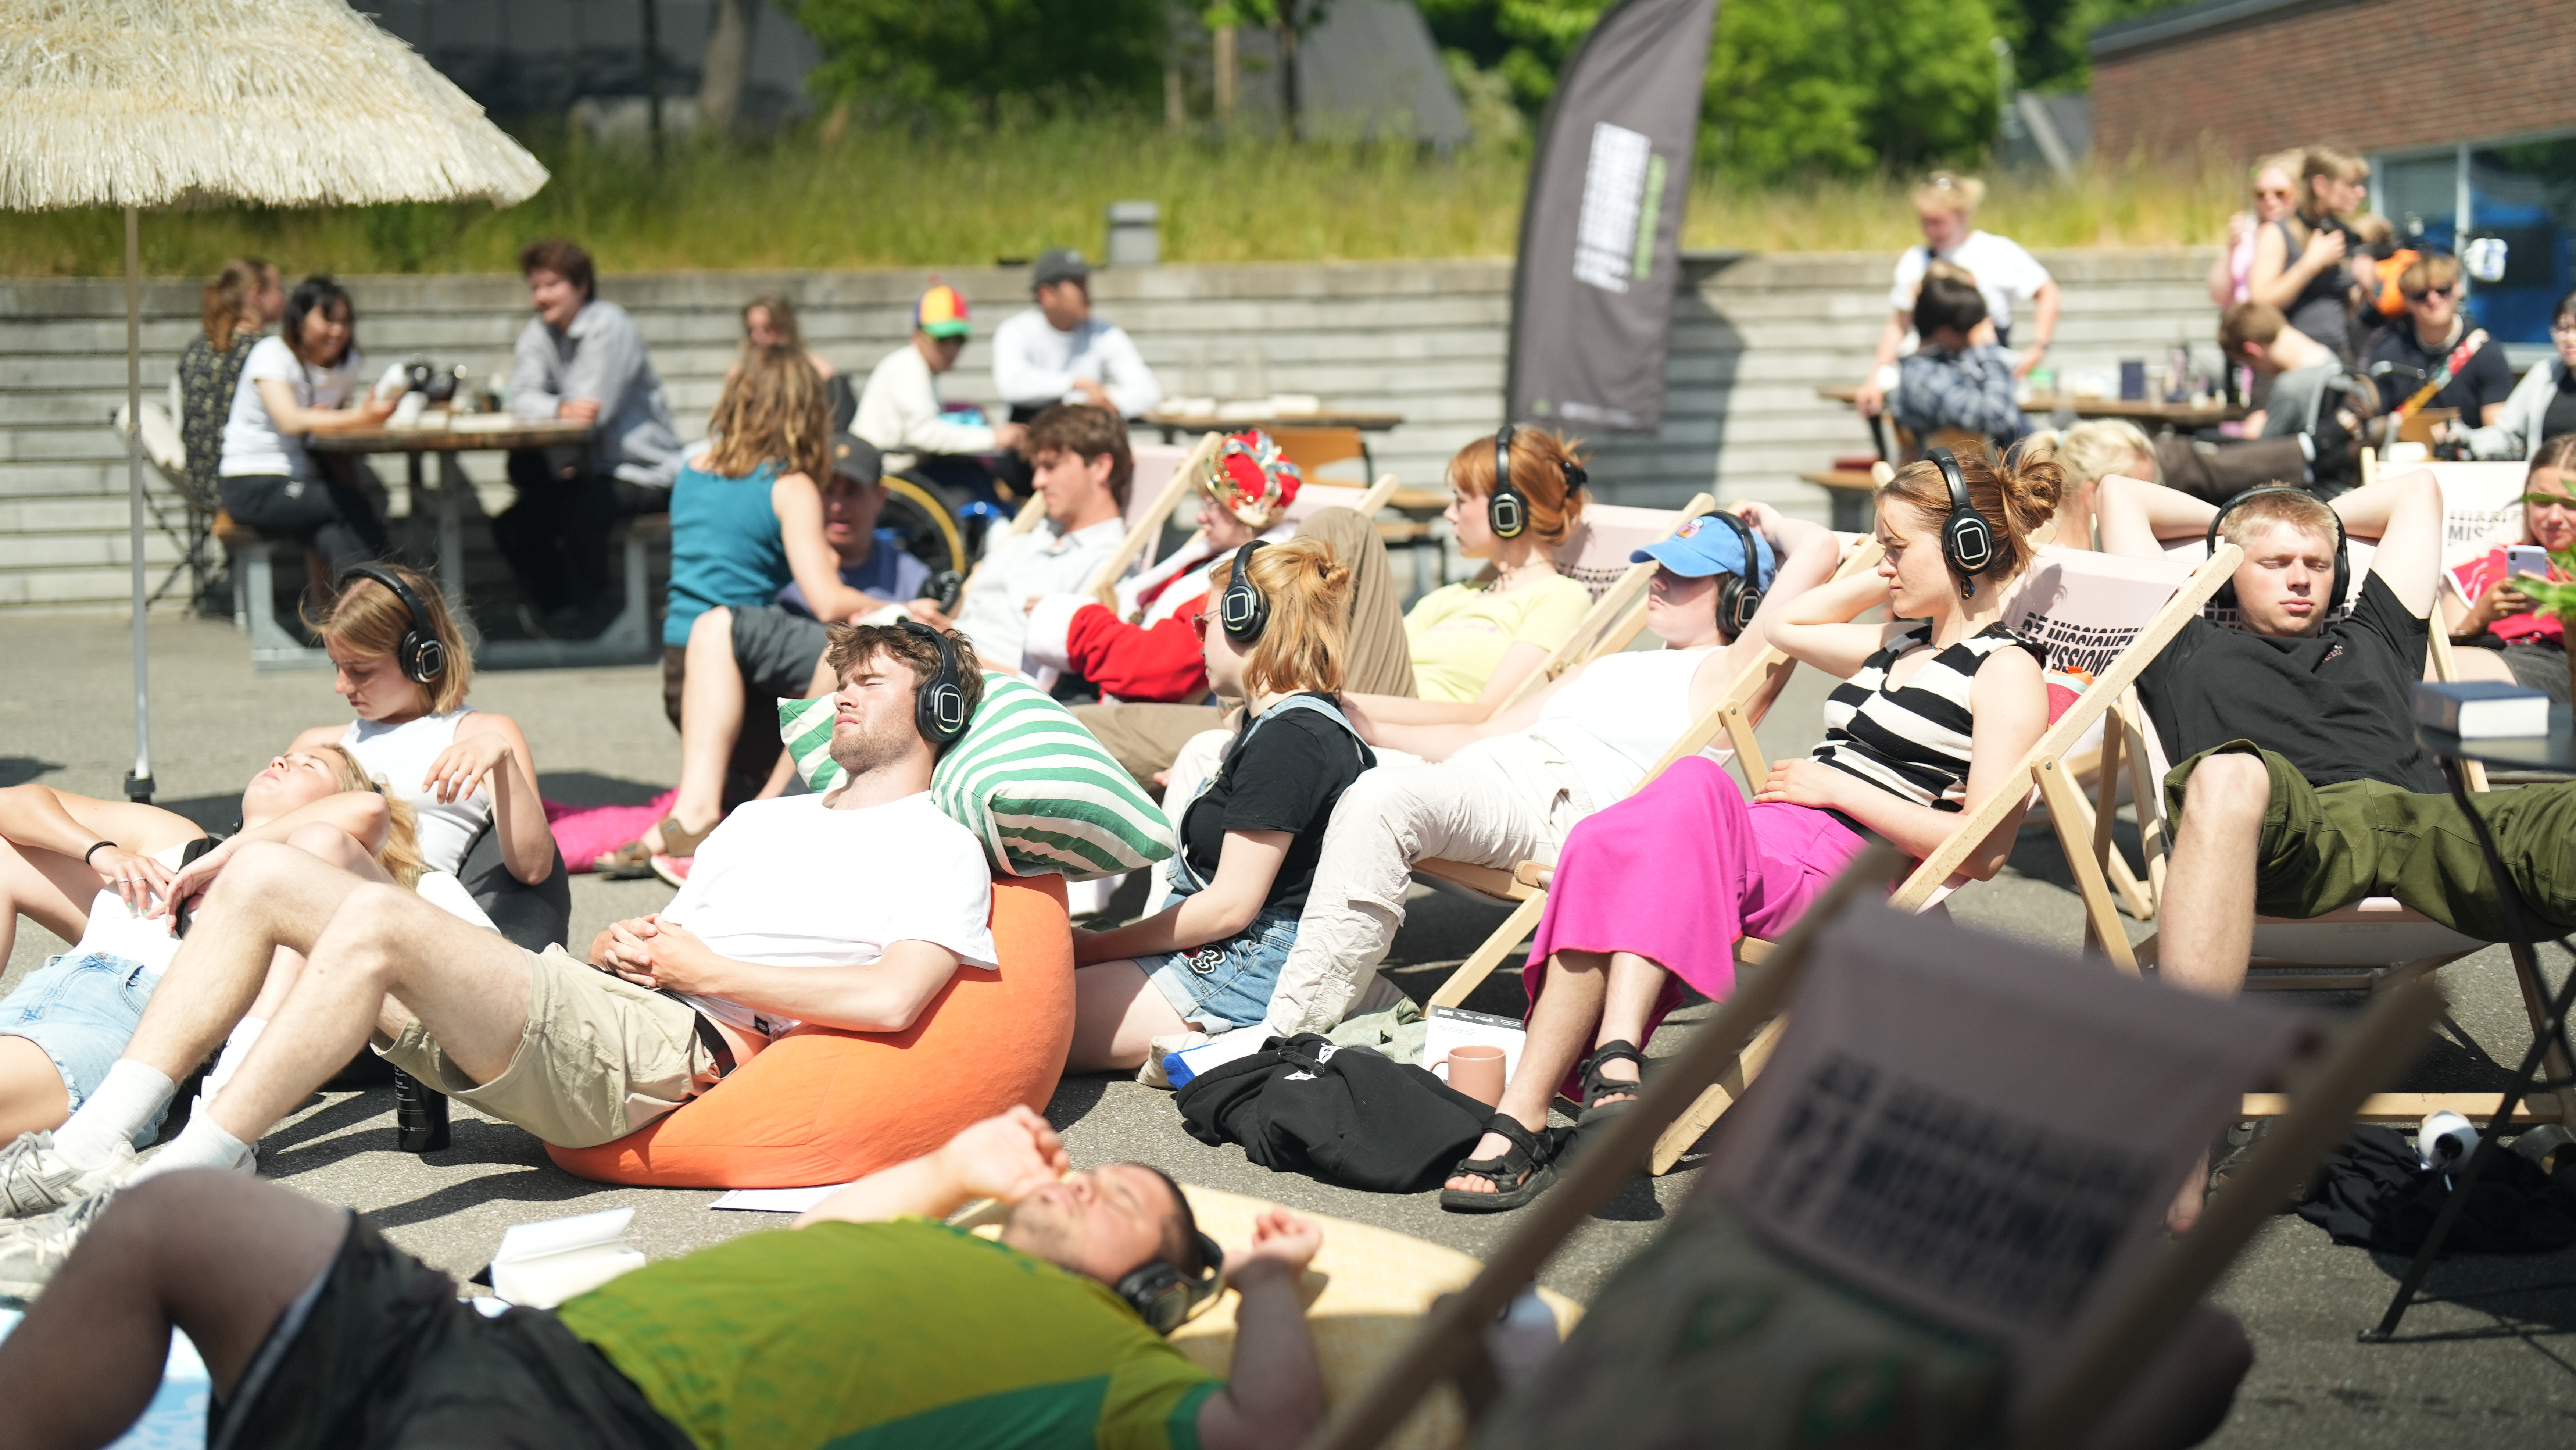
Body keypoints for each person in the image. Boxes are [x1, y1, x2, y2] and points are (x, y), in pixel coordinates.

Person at [0, 624, 998, 1231]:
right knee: (265, 870)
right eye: (846, 677)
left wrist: (707, 964)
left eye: (872, 681)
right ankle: (105, 1141)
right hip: (612, 1006)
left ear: (941, 708)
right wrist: (641, 941)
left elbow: (894, 997)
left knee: (375, 928)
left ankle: (184, 1172)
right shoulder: (761, 819)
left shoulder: (937, 843)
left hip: (683, 1047)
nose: (843, 695)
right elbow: (670, 932)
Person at [1442, 450, 2058, 1211]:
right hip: (1766, 839)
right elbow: (1791, 622)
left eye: (1896, 548)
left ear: (1966, 544)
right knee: (1606, 837)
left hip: (1844, 869)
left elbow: (1987, 845)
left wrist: (1840, 787)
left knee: (1692, 782)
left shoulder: (2004, 672)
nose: (1885, 565)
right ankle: (1537, 1107)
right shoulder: (1897, 645)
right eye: (1880, 548)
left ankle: (1608, 1062)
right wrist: (1889, 569)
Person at [0, 1109, 1327, 1450]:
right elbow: (834, 1229)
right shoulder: (937, 1240)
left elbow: (1269, 1426)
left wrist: (1268, 1282)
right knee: (179, 1214)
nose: (1095, 1178)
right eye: (1098, 1170)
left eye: (1129, 1205)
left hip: (602, 1428)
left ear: (1152, 1289)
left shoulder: (1117, 1365)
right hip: (480, 1336)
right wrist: (953, 1161)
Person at [2084, 469, 2576, 1230]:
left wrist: (2312, 523)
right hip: (2289, 825)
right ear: (2225, 571)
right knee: (2224, 775)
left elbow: (2418, 494)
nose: (2300, 580)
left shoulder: (2376, 630)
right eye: (2275, 564)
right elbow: (2118, 493)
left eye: (2316, 565)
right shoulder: (2183, 638)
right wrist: (2240, 523)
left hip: (2427, 826)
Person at [1261, 506, 1845, 1038]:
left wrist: (1771, 521)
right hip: (1487, 772)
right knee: (1277, 758)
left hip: (1558, 806)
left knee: (1381, 798)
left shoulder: (1729, 675)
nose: (1659, 579)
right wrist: (1351, 727)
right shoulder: (1614, 663)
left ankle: (1288, 1029)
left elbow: (1818, 548)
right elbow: (1481, 734)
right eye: (1658, 566)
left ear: (1740, 601)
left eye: (1686, 572)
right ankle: (1238, 979)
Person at [0, 747, 414, 1146]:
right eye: (284, 755)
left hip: (123, 1019)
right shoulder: (179, 839)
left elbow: (367, 810)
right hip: (44, 988)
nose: (281, 760)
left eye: (311, 764)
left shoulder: (319, 880)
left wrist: (237, 853)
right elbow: (13, 802)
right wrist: (101, 852)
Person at [1070, 540, 1376, 1068]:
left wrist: (1096, 946)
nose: (1197, 640)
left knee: (1017, 1025)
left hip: (1241, 966)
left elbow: (1231, 905)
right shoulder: (1282, 726)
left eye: (1200, 623)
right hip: (1232, 952)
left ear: (1245, 620)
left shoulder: (1291, 741)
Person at [609, 432, 931, 875]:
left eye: (851, 492)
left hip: (865, 733)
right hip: (771, 718)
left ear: (880, 497)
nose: (837, 505)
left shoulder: (912, 578)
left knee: (844, 650)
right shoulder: (788, 569)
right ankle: (724, 808)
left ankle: (759, 809)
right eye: (828, 491)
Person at [288, 564, 566, 950]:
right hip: (307, 906)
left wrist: (503, 763)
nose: (341, 686)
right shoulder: (317, 742)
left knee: (326, 842)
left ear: (423, 658)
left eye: (361, 670)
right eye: (338, 666)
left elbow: (535, 869)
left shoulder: (479, 734)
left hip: (404, 922)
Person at [1025, 429, 1304, 708]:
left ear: (1245, 518)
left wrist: (1074, 624)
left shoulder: (1243, 583)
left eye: (1211, 506)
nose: (1200, 517)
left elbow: (1157, 667)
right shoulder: (1212, 558)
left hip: (1141, 705)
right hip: (1120, 685)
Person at [498, 238, 685, 640]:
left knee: (581, 511)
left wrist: (555, 407)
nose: (541, 296)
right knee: (517, 522)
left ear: (581, 286)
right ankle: (558, 615)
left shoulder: (609, 325)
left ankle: (596, 617)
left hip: (646, 470)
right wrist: (559, 409)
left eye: (552, 285)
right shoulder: (538, 332)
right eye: (535, 287)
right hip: (593, 469)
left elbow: (592, 412)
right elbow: (522, 396)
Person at [916, 403, 1130, 678]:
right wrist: (937, 626)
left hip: (981, 686)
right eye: (1037, 468)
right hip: (943, 658)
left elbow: (1043, 687)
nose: (1038, 482)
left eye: (1051, 467)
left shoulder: (1108, 565)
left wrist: (953, 652)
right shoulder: (1028, 537)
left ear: (1100, 467)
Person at [215, 275, 396, 575]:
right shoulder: (271, 354)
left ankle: (370, 605)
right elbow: (290, 421)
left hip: (295, 484)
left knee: (331, 535)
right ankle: (396, 593)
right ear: (299, 321)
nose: (338, 331)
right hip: (253, 485)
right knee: (348, 503)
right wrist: (363, 417)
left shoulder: (342, 366)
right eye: (328, 319)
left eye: (345, 322)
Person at [1853, 171, 2059, 417]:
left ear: (1963, 215)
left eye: (1938, 222)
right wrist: (1876, 376)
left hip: (1985, 370)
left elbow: (2048, 292)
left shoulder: (1996, 251)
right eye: (1925, 222)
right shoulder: (1916, 260)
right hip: (1933, 376)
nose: (1930, 230)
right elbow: (1899, 324)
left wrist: (2038, 348)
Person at [854, 283, 1028, 499]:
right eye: (943, 339)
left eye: (959, 339)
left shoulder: (915, 367)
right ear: (917, 337)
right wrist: (994, 438)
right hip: (887, 478)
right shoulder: (909, 369)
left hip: (894, 470)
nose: (952, 348)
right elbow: (925, 435)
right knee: (972, 482)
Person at [2441, 434, 2576, 702]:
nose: (2554, 518)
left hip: (2555, 667)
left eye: (2570, 505)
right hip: (2490, 657)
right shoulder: (2489, 563)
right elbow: (2441, 648)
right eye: (2542, 501)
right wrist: (2480, 617)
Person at [2203, 301, 2364, 498]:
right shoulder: (2332, 361)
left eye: (2248, 363)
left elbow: (2263, 460)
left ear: (2253, 349)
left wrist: (2255, 435)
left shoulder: (2289, 388)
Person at [993, 249, 1163, 422]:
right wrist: (1078, 384)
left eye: (1086, 285)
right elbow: (1012, 385)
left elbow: (1149, 390)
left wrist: (1110, 404)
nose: (1088, 294)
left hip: (1088, 437)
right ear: (1047, 294)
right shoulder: (1016, 331)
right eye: (1078, 286)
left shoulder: (1105, 333)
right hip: (1032, 436)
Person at [175, 257, 281, 514]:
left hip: (201, 487)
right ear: (257, 294)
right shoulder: (263, 351)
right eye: (280, 289)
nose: (284, 298)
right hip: (242, 486)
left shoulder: (197, 347)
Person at [2367, 253, 2515, 435]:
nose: (2433, 300)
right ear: (2406, 301)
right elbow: (2374, 425)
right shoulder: (2388, 353)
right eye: (2420, 294)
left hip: (2466, 459)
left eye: (2443, 290)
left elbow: (2497, 431)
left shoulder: (2486, 352)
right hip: (2403, 458)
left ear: (2458, 289)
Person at [2248, 146, 2368, 360]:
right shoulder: (2278, 232)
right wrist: (2309, 266)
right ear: (2321, 186)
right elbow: (2259, 303)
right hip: (2289, 363)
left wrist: (2363, 287)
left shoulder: (2343, 234)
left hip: (2338, 355)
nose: (2361, 193)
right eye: (2351, 185)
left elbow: (2339, 310)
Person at [1889, 274, 2029, 453]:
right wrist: (1988, 349)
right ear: (1945, 333)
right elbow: (1999, 417)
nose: (1970, 339)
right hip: (1970, 478)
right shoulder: (1924, 377)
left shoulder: (1945, 364)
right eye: (1969, 330)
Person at [2479, 287, 2576, 461]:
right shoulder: (2544, 374)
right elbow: (2507, 433)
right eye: (2563, 329)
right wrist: (2465, 439)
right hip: (2546, 484)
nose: (2570, 339)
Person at [738, 292, 853, 431]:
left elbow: (841, 419)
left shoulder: (817, 368)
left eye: (768, 328)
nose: (758, 337)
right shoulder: (741, 373)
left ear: (786, 326)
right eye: (751, 330)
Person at [2207, 152, 2302, 309]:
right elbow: (2218, 295)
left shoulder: (2304, 234)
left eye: (2280, 194)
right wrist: (2231, 248)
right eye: (2261, 194)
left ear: (2298, 193)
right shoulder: (2247, 232)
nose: (2269, 200)